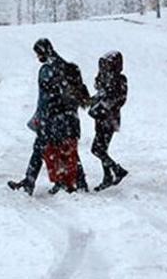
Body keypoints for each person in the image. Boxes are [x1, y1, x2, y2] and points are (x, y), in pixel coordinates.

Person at [8, 38, 90, 195]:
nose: (38, 58)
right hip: (70, 118)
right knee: (69, 151)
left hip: (52, 119)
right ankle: (79, 183)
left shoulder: (47, 70)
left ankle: (30, 183)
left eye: (38, 54)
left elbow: (46, 99)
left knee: (39, 149)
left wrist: (41, 119)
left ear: (42, 52)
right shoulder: (68, 67)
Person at [89, 51, 129, 192]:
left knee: (97, 149)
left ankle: (117, 170)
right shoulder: (106, 79)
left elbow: (119, 99)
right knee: (101, 149)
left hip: (109, 119)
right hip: (102, 118)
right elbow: (101, 94)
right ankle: (107, 176)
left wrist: (104, 105)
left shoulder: (119, 80)